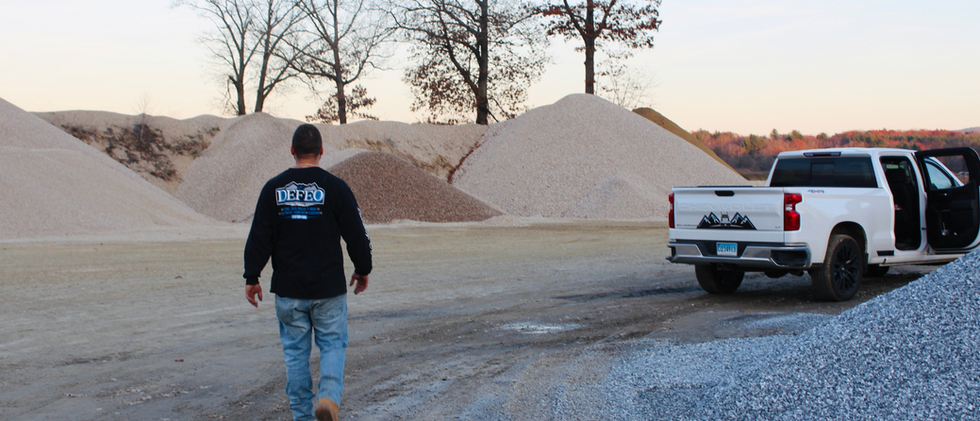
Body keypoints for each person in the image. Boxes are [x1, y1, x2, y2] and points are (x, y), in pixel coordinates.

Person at [243, 124, 373, 421]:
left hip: (288, 289)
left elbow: (260, 236)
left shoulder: (273, 189)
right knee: (332, 345)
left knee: (295, 355)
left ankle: (302, 416)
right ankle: (328, 399)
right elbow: (356, 233)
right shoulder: (336, 187)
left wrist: (252, 276)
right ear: (321, 151)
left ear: (292, 151)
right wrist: (362, 268)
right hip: (328, 288)